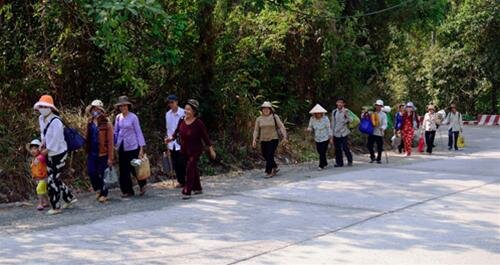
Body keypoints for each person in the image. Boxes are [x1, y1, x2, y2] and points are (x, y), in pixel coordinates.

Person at [34, 95, 77, 215]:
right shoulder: (41, 119)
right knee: (55, 178)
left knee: (52, 180)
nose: (42, 108)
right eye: (41, 106)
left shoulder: (56, 121)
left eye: (45, 106)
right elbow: (44, 134)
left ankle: (56, 206)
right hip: (49, 153)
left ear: (50, 108)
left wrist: (48, 149)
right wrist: (42, 143)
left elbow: (57, 138)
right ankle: (69, 197)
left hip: (59, 153)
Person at [168, 99, 216, 199]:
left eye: (189, 110)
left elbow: (205, 137)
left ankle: (187, 190)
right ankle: (197, 187)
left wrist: (211, 149)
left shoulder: (199, 123)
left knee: (190, 168)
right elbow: (177, 131)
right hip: (184, 149)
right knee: (192, 168)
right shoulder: (182, 120)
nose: (186, 111)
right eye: (185, 109)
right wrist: (170, 138)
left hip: (195, 150)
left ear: (194, 111)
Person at [114, 96, 147, 197]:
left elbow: (138, 132)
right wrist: (114, 145)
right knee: (123, 169)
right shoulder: (118, 117)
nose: (123, 107)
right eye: (121, 106)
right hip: (122, 146)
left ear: (128, 106)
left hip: (133, 146)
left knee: (135, 167)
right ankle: (127, 190)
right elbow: (116, 132)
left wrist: (141, 148)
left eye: (125, 105)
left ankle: (142, 185)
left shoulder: (133, 117)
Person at [85, 100, 114, 203]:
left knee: (103, 174)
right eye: (94, 109)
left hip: (103, 153)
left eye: (97, 109)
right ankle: (98, 189)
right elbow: (87, 137)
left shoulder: (106, 123)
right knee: (92, 172)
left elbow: (111, 142)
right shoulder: (90, 122)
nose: (95, 111)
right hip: (92, 152)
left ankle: (104, 193)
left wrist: (110, 158)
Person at [252, 101, 288, 178]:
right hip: (263, 140)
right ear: (261, 110)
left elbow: (281, 126)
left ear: (270, 109)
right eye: (264, 109)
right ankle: (275, 166)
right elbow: (256, 130)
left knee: (269, 154)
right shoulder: (259, 119)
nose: (266, 110)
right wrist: (254, 140)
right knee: (265, 155)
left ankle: (269, 172)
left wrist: (285, 137)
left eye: (267, 108)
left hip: (273, 139)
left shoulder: (275, 117)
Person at [164, 95, 186, 188]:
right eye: (169, 103)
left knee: (182, 162)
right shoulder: (167, 114)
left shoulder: (183, 113)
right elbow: (168, 128)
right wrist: (167, 138)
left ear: (177, 102)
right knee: (175, 163)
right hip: (171, 142)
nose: (171, 104)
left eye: (172, 102)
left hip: (182, 142)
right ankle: (180, 181)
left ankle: (186, 180)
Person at [307, 104, 333, 170]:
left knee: (322, 151)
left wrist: (330, 138)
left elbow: (329, 128)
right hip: (317, 137)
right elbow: (310, 126)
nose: (318, 114)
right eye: (316, 113)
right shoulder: (312, 118)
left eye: (319, 113)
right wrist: (309, 129)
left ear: (322, 113)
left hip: (325, 137)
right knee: (320, 151)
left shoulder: (326, 119)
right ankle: (325, 163)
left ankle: (321, 165)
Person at [331, 98, 354, 167]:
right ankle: (339, 163)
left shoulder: (346, 111)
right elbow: (333, 123)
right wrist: (331, 134)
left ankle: (350, 160)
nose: (340, 104)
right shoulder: (334, 112)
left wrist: (345, 114)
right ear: (336, 103)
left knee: (345, 147)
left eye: (341, 102)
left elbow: (351, 120)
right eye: (338, 102)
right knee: (337, 148)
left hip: (344, 132)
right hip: (336, 132)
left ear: (344, 104)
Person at [27, 139, 49, 211]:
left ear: (39, 149)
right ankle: (46, 202)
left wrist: (38, 159)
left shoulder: (41, 157)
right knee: (43, 190)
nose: (33, 150)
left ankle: (40, 203)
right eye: (32, 149)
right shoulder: (34, 158)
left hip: (43, 178)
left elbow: (41, 157)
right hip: (38, 178)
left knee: (39, 189)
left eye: (35, 149)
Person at [367, 100, 388, 164]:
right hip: (372, 131)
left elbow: (385, 123)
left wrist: (383, 128)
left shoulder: (383, 114)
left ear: (381, 106)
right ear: (375, 106)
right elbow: (367, 119)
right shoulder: (372, 113)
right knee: (369, 145)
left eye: (380, 106)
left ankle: (379, 158)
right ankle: (372, 157)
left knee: (379, 146)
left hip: (379, 131)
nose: (378, 107)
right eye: (377, 105)